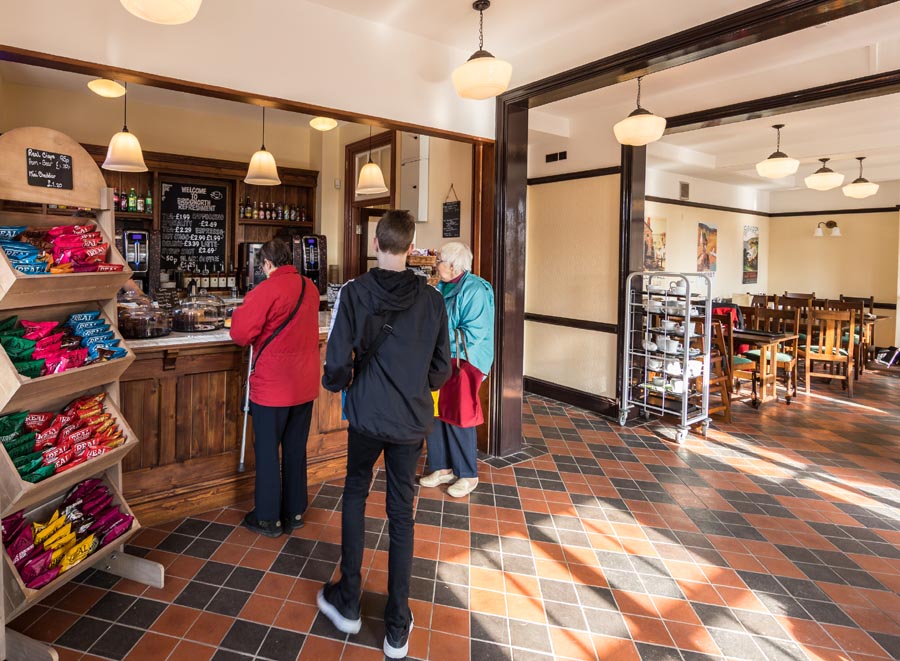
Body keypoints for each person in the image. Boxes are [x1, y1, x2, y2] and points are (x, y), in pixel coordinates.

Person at [318, 210, 450, 659]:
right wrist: (417, 387)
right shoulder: (433, 300)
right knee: (402, 514)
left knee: (355, 494)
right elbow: (442, 368)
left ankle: (349, 602)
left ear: (376, 244)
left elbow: (336, 360)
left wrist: (340, 384)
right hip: (410, 421)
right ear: (412, 248)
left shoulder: (354, 293)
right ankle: (397, 627)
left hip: (367, 415)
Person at [230, 238, 320, 537]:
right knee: (295, 449)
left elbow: (241, 334)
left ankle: (268, 517)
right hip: (304, 385)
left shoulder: (265, 290)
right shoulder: (310, 287)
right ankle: (294, 512)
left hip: (272, 387)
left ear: (266, 263)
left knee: (268, 451)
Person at [419, 242, 495, 498]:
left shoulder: (475, 290)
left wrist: (433, 334)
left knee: (460, 415)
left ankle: (467, 473)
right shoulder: (442, 286)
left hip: (465, 360)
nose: (436, 262)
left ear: (452, 265)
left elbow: (472, 334)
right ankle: (441, 467)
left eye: (439, 259)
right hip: (443, 358)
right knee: (436, 412)